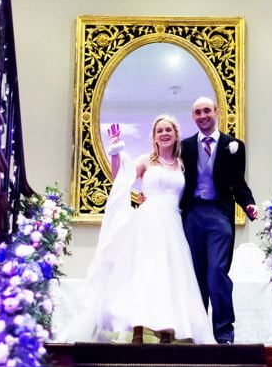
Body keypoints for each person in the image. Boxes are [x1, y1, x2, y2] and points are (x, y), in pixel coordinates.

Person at [59, 115, 215, 345]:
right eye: (159, 130)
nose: (164, 134)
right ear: (154, 137)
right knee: (145, 272)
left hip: (173, 223)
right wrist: (115, 152)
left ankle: (168, 331)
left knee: (170, 275)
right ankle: (138, 328)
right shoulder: (145, 161)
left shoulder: (182, 164)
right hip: (148, 221)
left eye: (168, 130)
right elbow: (120, 178)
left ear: (175, 135)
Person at [180, 97, 258, 345]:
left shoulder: (234, 145)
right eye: (197, 112)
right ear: (193, 117)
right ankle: (197, 332)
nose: (202, 116)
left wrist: (249, 204)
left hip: (219, 215)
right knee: (196, 275)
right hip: (192, 215)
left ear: (217, 113)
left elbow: (239, 183)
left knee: (217, 272)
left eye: (206, 111)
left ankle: (224, 334)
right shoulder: (186, 147)